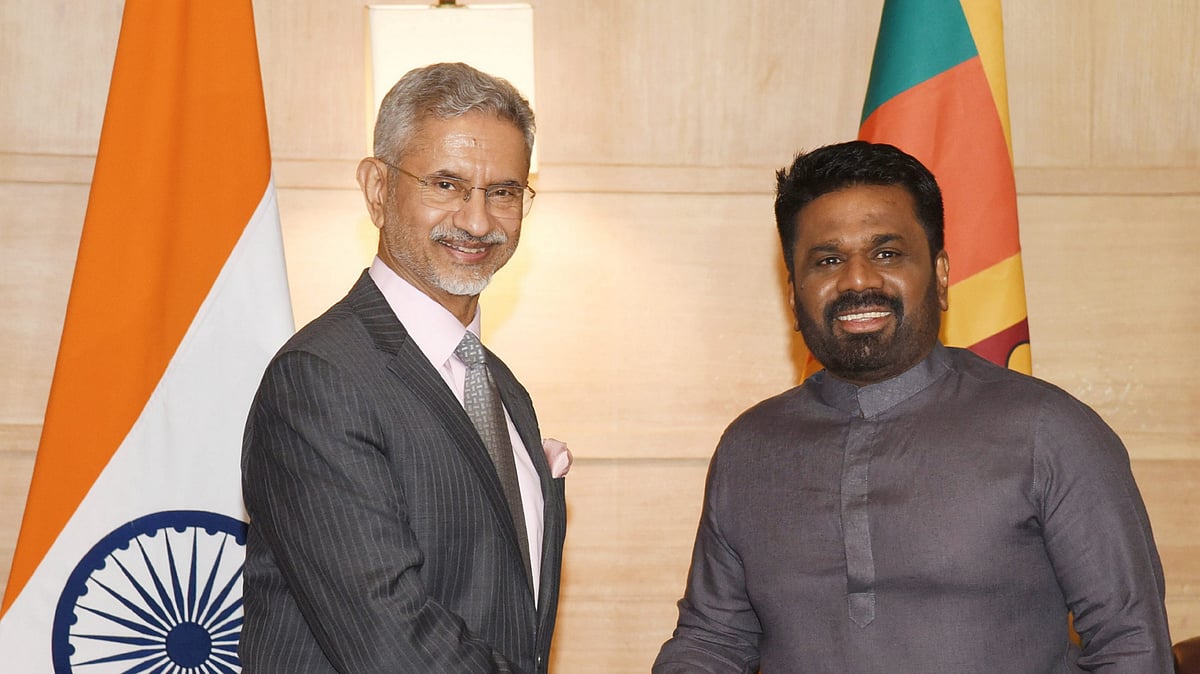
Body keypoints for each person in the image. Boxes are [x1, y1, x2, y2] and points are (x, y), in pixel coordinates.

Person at [653, 140, 1173, 673]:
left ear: (942, 274)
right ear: (794, 296)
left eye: (886, 253)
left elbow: (1129, 644)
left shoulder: (1050, 432)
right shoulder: (750, 446)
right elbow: (712, 640)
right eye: (828, 259)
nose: (858, 280)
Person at [241, 62, 566, 673]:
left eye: (502, 191)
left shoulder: (502, 389)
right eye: (445, 184)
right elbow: (390, 643)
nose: (477, 221)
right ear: (376, 189)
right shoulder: (319, 379)